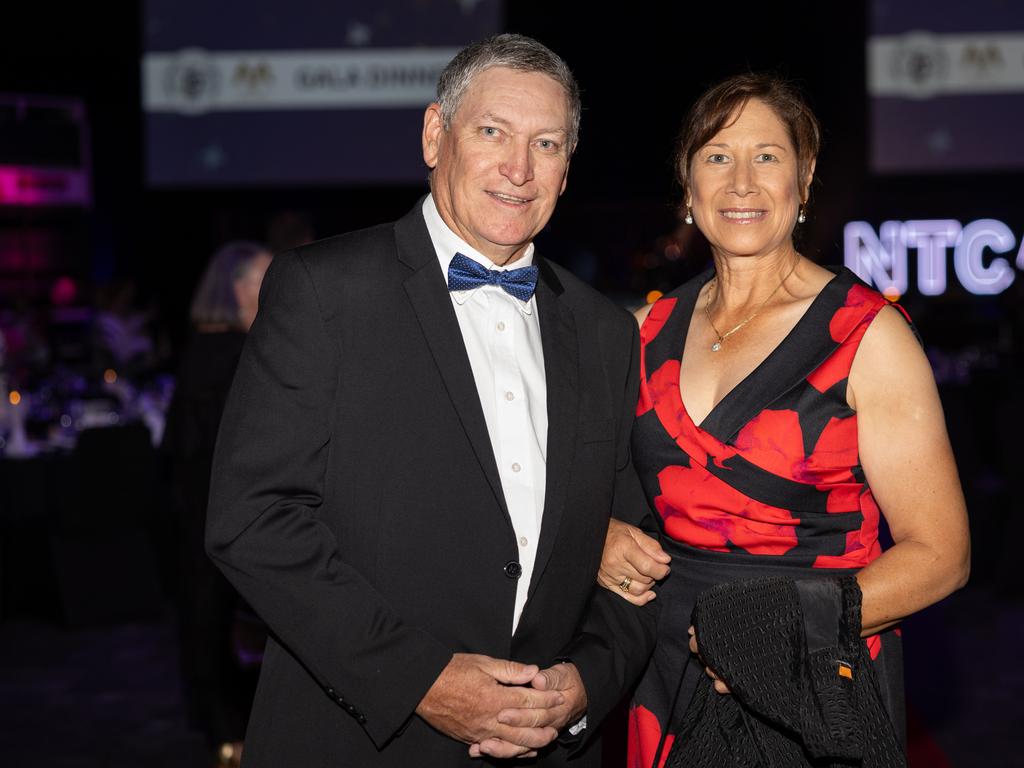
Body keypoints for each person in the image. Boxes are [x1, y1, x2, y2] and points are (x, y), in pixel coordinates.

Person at [205, 34, 657, 768]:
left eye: (546, 143)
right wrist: (421, 679)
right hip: (358, 740)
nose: (518, 168)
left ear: (567, 170)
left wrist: (586, 686)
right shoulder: (325, 293)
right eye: (492, 132)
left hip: (546, 747)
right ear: (434, 134)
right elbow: (251, 520)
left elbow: (635, 557)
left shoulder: (605, 332)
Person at [597, 73, 970, 766]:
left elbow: (942, 556)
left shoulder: (867, 337)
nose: (741, 181)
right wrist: (599, 538)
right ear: (687, 184)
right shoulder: (643, 333)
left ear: (804, 179)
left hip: (814, 676)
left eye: (767, 156)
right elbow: (600, 496)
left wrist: (777, 629)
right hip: (665, 671)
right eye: (716, 156)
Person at [162, 241, 273, 766]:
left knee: (211, 626)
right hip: (219, 517)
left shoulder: (203, 347)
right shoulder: (230, 353)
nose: (272, 291)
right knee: (219, 629)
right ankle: (229, 736)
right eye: (262, 280)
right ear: (236, 289)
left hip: (202, 513)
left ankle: (224, 731)